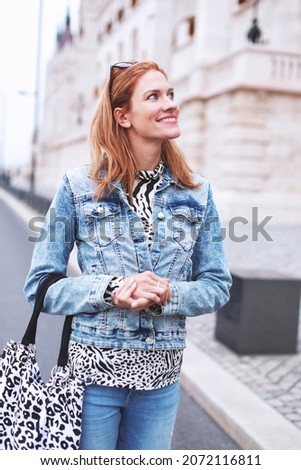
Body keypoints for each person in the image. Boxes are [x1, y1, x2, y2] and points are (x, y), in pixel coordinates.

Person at [24, 60, 232, 450]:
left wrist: (169, 293)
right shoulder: (77, 187)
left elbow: (217, 285)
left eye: (170, 94)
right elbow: (41, 287)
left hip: (160, 383)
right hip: (92, 382)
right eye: (154, 96)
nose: (170, 103)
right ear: (123, 116)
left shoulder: (197, 192)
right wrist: (110, 289)